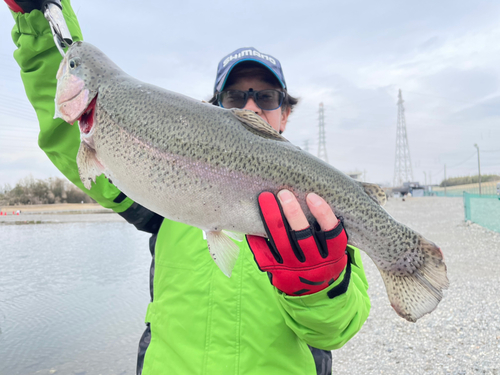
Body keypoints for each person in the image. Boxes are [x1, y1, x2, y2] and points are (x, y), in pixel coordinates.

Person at [6, 1, 371, 374]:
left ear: (285, 111)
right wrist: (36, 20)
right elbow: (77, 105)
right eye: (234, 96)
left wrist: (319, 285)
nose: (250, 105)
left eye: (266, 96)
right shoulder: (152, 176)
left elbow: (337, 331)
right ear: (214, 106)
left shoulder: (322, 203)